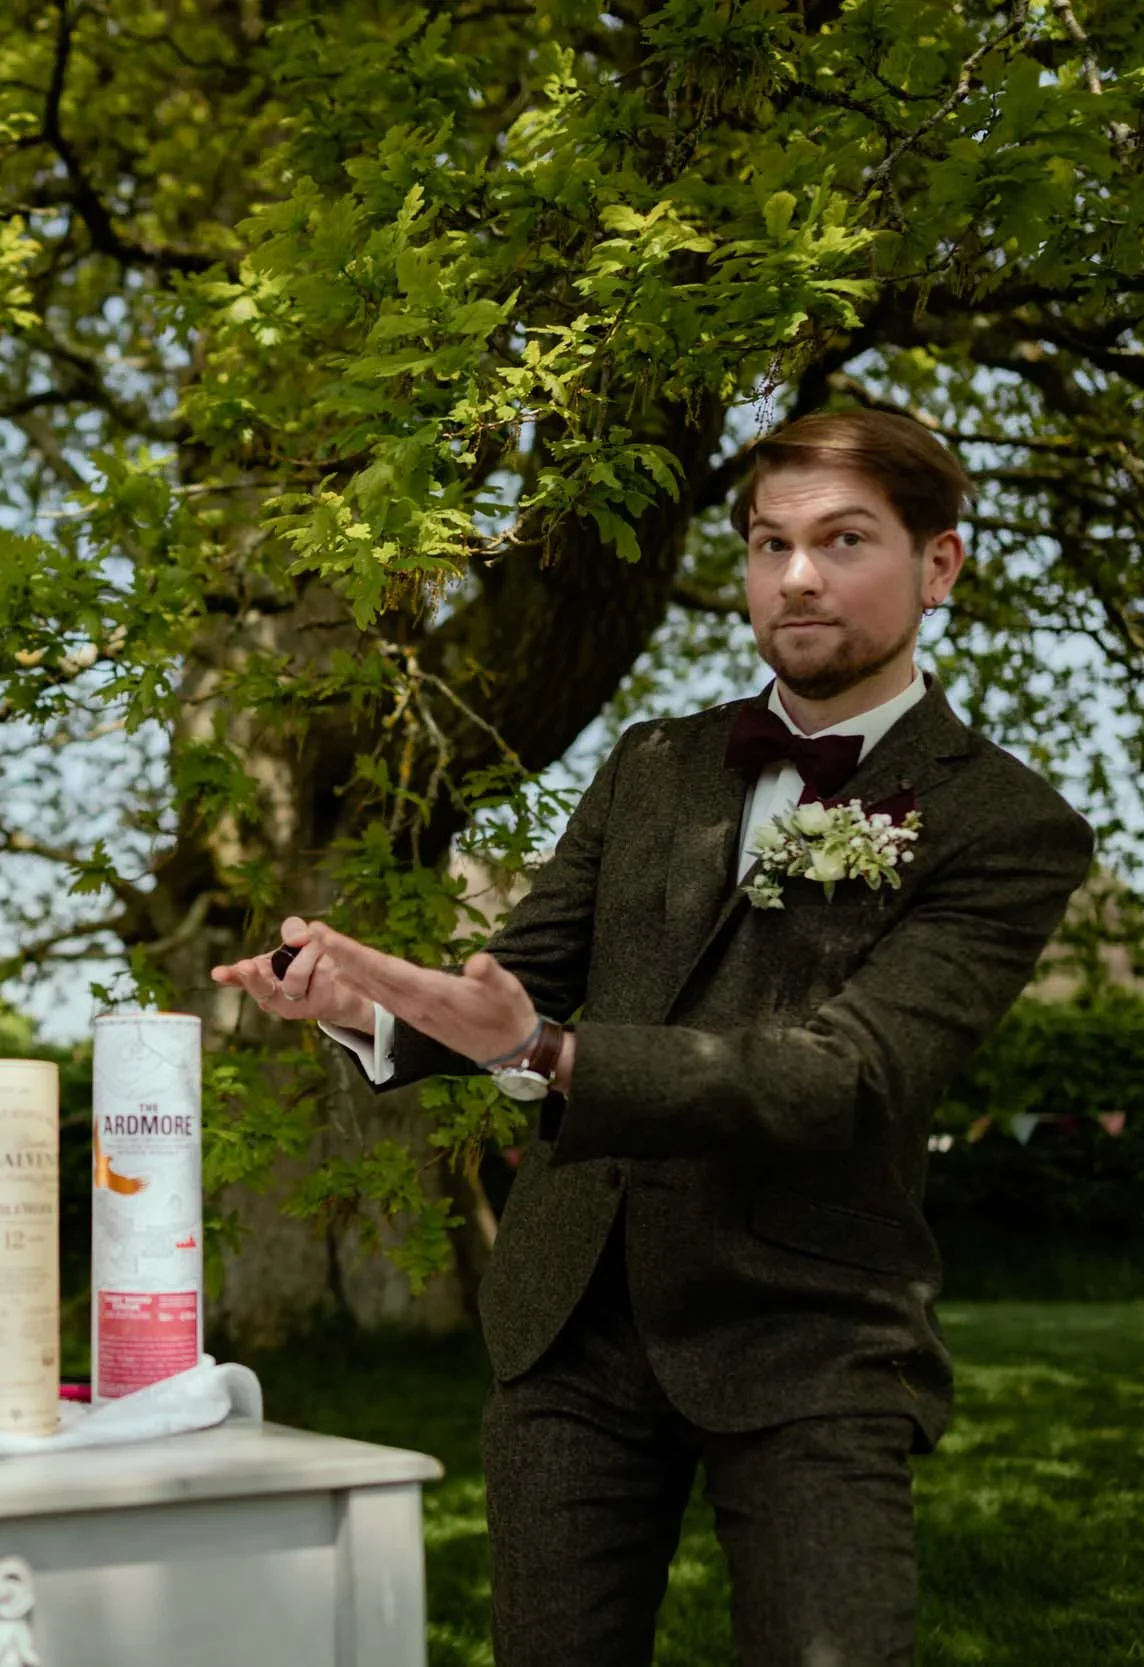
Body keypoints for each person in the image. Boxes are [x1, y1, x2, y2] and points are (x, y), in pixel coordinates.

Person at [215, 409, 1093, 1665]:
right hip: (569, 1317)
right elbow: (517, 981)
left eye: (843, 540)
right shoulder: (653, 764)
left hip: (812, 1334)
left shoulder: (1006, 821)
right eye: (769, 543)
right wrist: (363, 1007)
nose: (795, 576)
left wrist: (552, 1055)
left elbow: (848, 1077)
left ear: (938, 563)